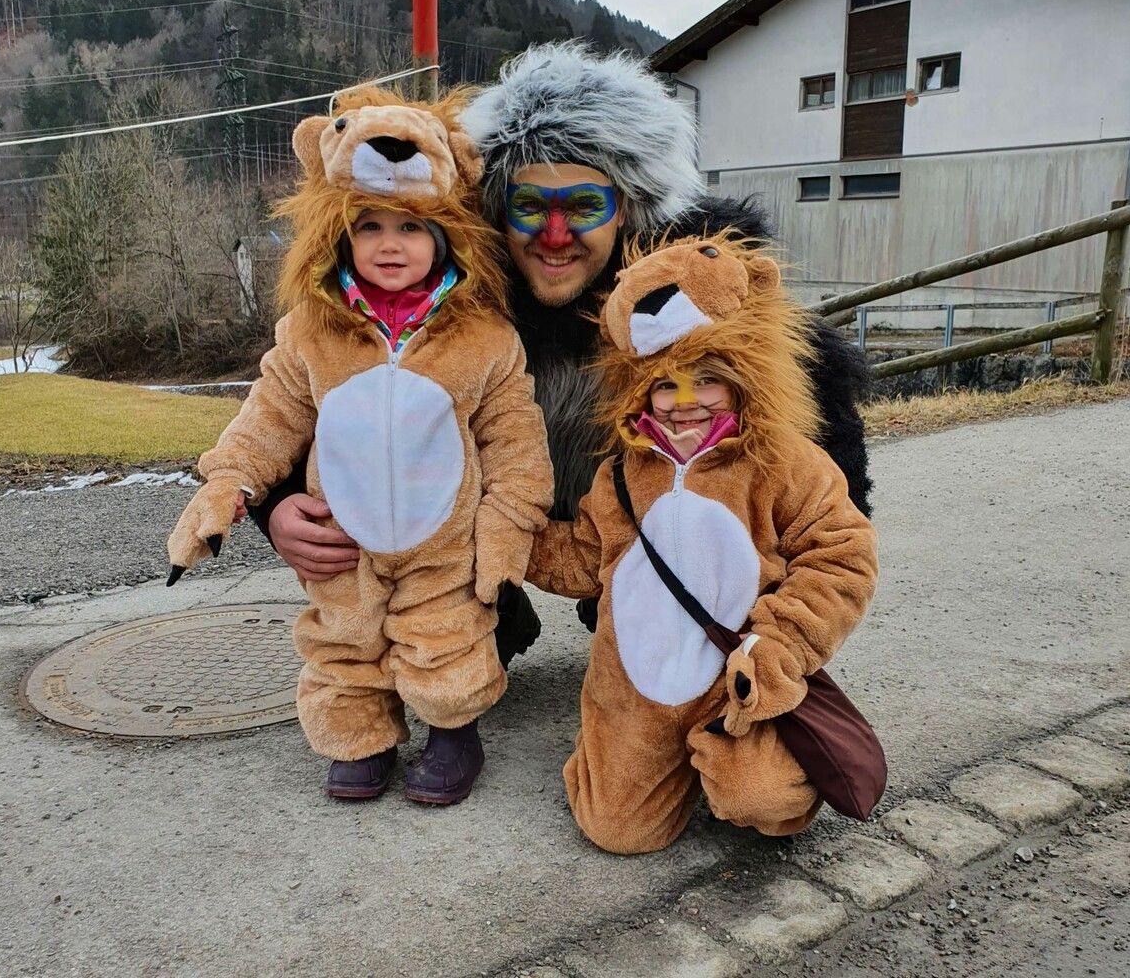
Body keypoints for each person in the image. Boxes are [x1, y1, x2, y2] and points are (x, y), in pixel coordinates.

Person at [250, 42, 873, 667]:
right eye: (529, 207)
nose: (553, 237)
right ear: (498, 209)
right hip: (484, 522)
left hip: (638, 516)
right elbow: (318, 389)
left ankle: (656, 596)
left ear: (627, 206)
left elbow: (818, 440)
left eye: (582, 206)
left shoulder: (692, 285)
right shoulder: (452, 282)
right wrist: (278, 508)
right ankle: (480, 606)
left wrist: (790, 612)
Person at [168, 89, 553, 805]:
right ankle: (360, 736)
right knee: (344, 641)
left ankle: (451, 732)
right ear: (341, 235)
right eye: (369, 225)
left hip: (446, 539)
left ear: (445, 235)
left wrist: (507, 524)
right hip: (341, 532)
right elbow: (268, 417)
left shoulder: (484, 338)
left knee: (446, 634)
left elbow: (515, 440)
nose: (389, 243)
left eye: (410, 225)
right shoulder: (312, 332)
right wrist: (229, 484)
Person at [526, 234, 879, 853]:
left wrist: (782, 646)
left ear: (743, 378)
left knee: (763, 800)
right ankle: (627, 748)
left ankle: (731, 762)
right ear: (641, 390)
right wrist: (511, 538)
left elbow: (841, 556)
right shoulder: (620, 475)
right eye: (666, 384)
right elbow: (585, 558)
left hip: (737, 681)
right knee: (617, 832)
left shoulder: (785, 463)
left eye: (707, 379)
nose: (685, 402)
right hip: (636, 689)